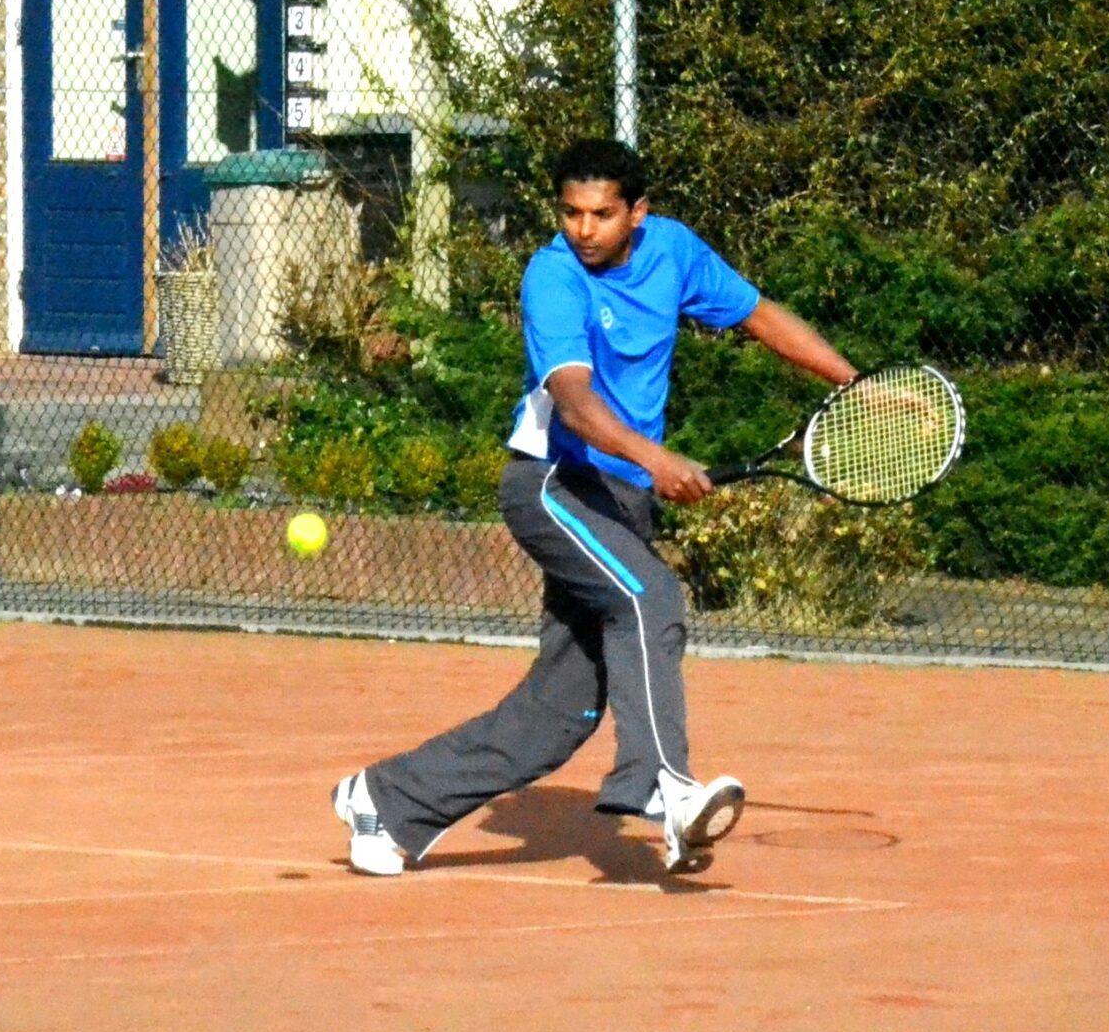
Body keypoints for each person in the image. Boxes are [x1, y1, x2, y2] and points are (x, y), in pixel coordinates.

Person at [333, 138, 857, 877]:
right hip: (552, 485)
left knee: (560, 714)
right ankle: (667, 790)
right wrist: (656, 458)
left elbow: (759, 315)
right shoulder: (551, 275)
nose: (584, 228)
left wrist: (854, 386)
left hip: (619, 501)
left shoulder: (671, 249)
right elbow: (573, 401)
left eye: (602, 214)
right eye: (571, 212)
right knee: (651, 596)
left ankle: (387, 800)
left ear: (637, 213)